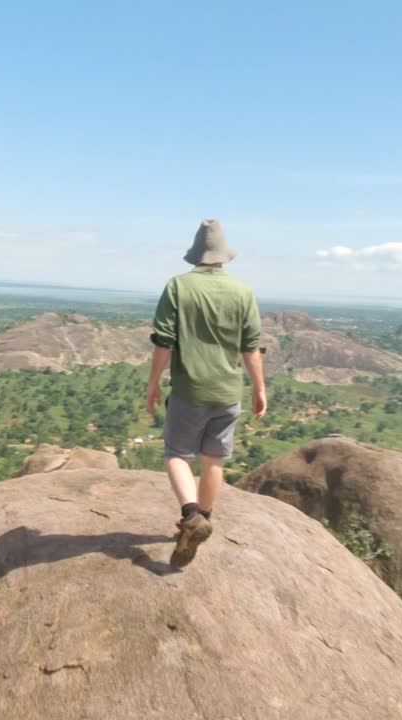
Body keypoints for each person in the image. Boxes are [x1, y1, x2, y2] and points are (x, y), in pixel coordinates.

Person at [147, 219, 267, 569]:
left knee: (176, 454)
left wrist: (153, 382)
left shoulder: (178, 287)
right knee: (214, 459)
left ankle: (191, 515)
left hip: (190, 390)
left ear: (196, 255)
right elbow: (251, 346)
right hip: (228, 392)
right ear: (224, 257)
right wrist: (260, 387)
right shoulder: (243, 292)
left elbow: (163, 341)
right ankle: (204, 518)